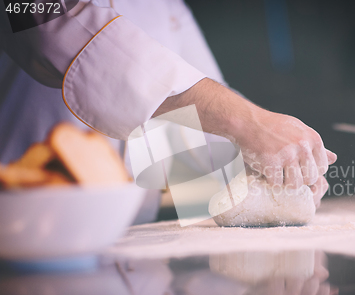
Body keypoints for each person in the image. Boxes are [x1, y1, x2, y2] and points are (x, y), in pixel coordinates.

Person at [0, 0, 336, 207]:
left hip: (137, 255)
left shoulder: (166, 6)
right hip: (26, 231)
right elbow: (52, 31)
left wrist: (259, 171)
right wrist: (249, 124)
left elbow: (188, 129)